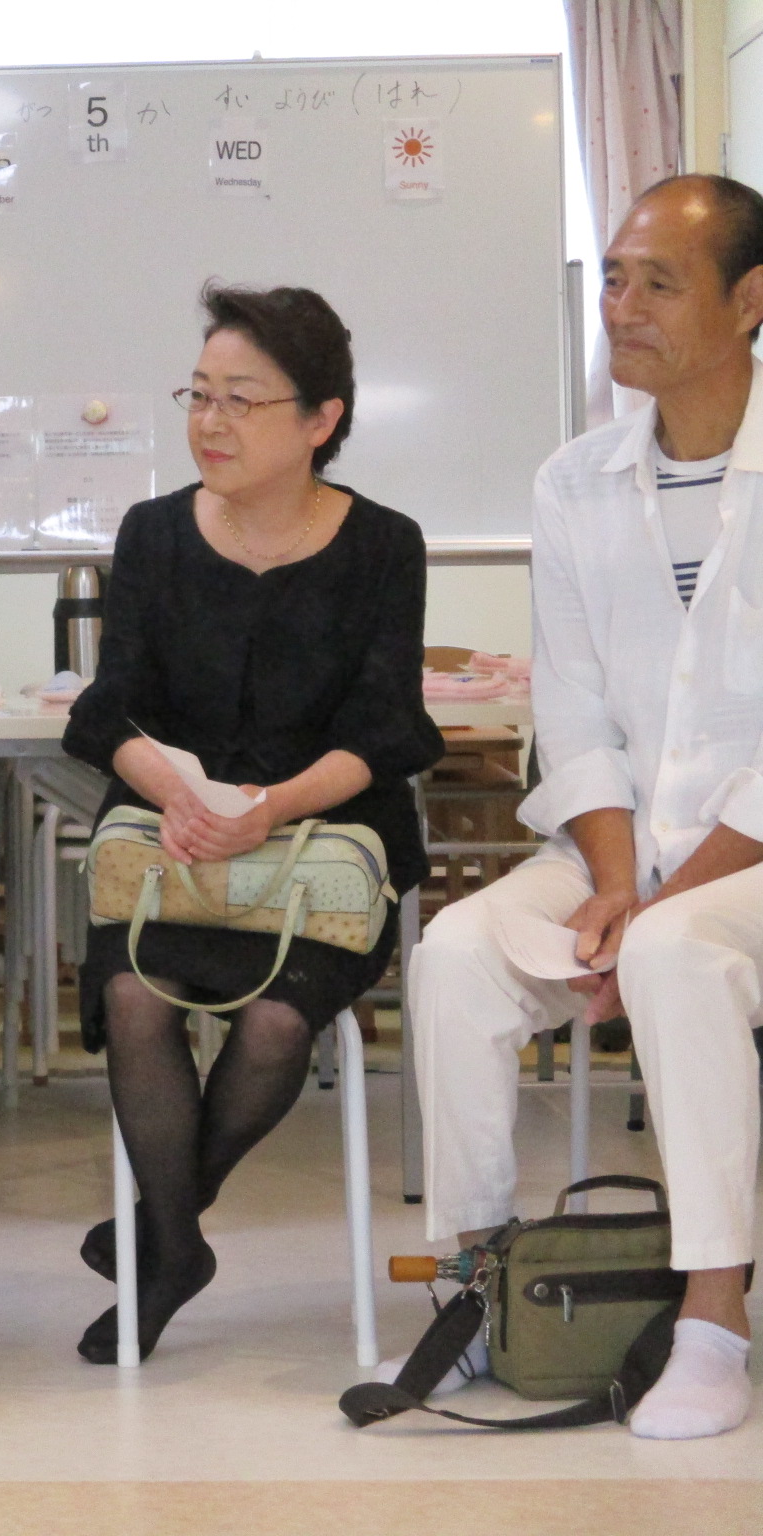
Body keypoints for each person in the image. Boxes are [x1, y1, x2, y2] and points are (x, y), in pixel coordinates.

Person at [407, 174, 763, 1440]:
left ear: (749, 300)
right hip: (623, 851)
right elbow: (567, 709)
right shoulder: (573, 482)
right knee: (454, 953)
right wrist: (615, 884)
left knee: (674, 949)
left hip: (743, 860)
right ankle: (477, 1283)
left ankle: (712, 1320)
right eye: (612, 278)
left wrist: (653, 907)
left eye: (657, 283)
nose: (620, 307)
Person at [62, 283, 440, 1364]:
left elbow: (384, 730)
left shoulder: (384, 545)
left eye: (241, 399)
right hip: (174, 844)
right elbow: (108, 710)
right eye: (198, 395)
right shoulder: (152, 534)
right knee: (133, 997)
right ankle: (178, 1248)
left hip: (320, 847)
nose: (210, 422)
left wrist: (267, 808)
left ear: (321, 419)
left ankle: (161, 1232)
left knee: (277, 1024)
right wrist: (180, 794)